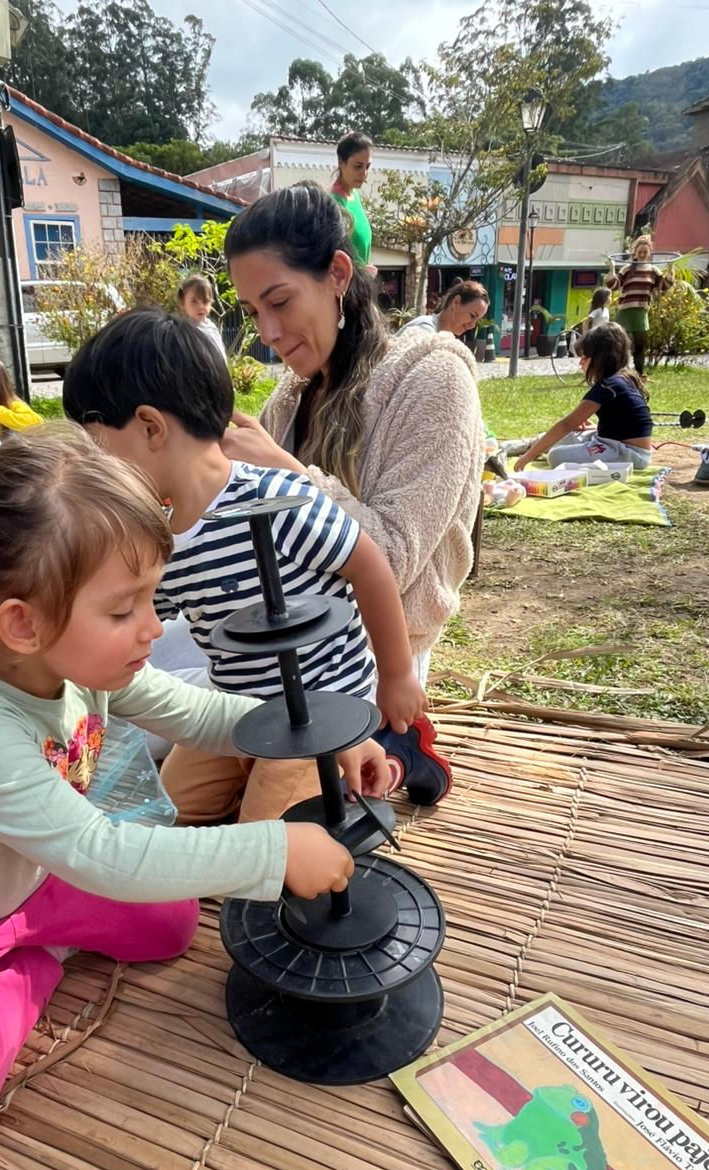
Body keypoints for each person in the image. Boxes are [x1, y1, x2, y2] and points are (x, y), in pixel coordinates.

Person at [0, 429, 375, 1148]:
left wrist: (326, 729)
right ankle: (25, 960)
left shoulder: (75, 663)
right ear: (21, 624)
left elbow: (202, 713)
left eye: (153, 599)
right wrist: (274, 850)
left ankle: (31, 934)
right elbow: (104, 854)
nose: (155, 628)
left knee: (171, 924)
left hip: (34, 878)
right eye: (125, 610)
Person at [64, 307, 426, 824]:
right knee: (169, 815)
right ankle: (262, 783)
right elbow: (137, 611)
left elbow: (370, 568)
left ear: (149, 427)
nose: (98, 471)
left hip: (316, 714)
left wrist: (396, 676)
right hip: (233, 711)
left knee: (264, 840)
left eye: (99, 449)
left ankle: (389, 758)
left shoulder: (276, 499)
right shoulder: (156, 532)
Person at [220, 182, 484, 800]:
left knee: (282, 792)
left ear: (338, 273)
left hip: (372, 649)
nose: (267, 331)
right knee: (152, 713)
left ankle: (397, 743)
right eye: (253, 311)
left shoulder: (432, 376)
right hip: (292, 631)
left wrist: (286, 471)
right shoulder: (291, 396)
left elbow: (392, 558)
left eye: (279, 302)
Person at [513, 322, 653, 472]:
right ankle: (520, 446)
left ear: (601, 358)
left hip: (627, 452)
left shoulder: (608, 386)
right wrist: (599, 427)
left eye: (585, 357)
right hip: (611, 440)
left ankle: (530, 449)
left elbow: (567, 424)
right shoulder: (623, 378)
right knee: (564, 438)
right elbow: (627, 422)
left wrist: (530, 456)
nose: (580, 363)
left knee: (555, 456)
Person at [604, 236, 671, 375]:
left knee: (639, 345)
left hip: (641, 311)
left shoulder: (653, 270)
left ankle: (639, 373)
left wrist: (671, 271)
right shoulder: (627, 269)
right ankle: (618, 371)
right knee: (620, 343)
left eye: (644, 252)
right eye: (639, 251)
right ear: (635, 252)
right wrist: (612, 270)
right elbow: (614, 285)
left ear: (649, 253)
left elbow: (664, 286)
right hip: (625, 311)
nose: (642, 254)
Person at [330, 131, 375, 273]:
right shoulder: (333, 205)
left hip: (361, 289)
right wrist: (362, 274)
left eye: (367, 166)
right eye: (358, 166)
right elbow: (331, 261)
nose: (364, 173)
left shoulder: (354, 196)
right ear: (341, 163)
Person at [400, 280, 489, 339]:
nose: (472, 325)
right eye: (472, 315)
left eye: (477, 321)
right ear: (456, 302)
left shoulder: (443, 338)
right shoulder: (424, 331)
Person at [177, 273, 227, 360]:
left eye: (205, 301)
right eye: (194, 301)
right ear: (183, 302)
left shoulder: (211, 327)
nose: (201, 307)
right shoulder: (181, 331)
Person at [568, 286, 611, 356]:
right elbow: (587, 321)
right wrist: (586, 333)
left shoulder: (606, 310)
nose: (610, 298)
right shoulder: (597, 311)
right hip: (596, 334)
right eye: (609, 296)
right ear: (604, 298)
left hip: (604, 333)